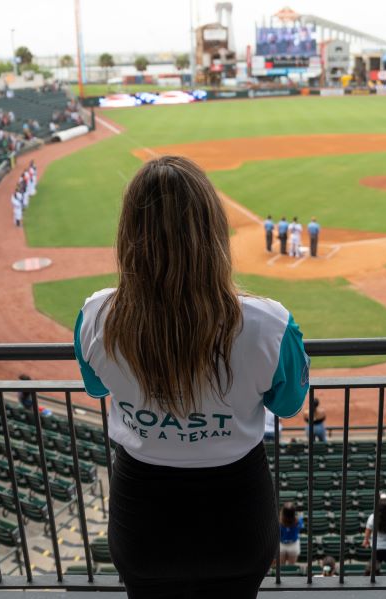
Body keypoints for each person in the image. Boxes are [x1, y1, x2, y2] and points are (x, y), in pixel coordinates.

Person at [73, 156, 309, 597]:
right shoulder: (270, 324)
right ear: (215, 233)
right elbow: (289, 405)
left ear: (128, 237)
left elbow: (96, 386)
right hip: (237, 511)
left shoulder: (94, 317)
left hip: (141, 514)